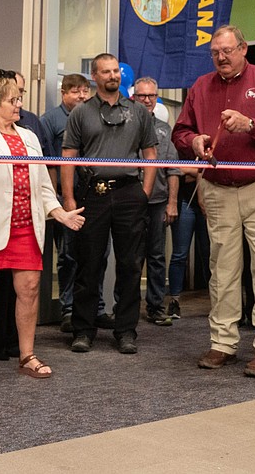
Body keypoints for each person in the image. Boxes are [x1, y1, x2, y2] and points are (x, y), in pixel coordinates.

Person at [173, 25, 255, 377]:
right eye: (215, 53)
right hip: (218, 188)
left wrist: (252, 124)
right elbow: (180, 132)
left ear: (243, 48)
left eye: (227, 51)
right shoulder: (200, 86)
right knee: (222, 269)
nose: (221, 58)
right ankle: (222, 343)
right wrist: (194, 142)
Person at [0, 78, 85, 383]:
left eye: (19, 99)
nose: (18, 105)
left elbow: (42, 184)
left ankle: (27, 355)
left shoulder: (30, 137)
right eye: (13, 100)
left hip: (26, 226)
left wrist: (60, 214)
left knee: (28, 291)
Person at [61, 53, 157, 355]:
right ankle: (83, 330)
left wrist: (145, 191)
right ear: (94, 76)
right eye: (106, 71)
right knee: (89, 264)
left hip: (130, 193)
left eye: (116, 71)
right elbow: (67, 159)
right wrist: (69, 199)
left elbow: (151, 155)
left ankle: (126, 330)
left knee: (130, 264)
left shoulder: (138, 112)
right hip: (93, 193)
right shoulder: (81, 113)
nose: (113, 75)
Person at [39, 73, 90, 332]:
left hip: (91, 193)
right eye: (75, 91)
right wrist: (59, 198)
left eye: (85, 91)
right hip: (63, 196)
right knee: (68, 255)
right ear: (63, 93)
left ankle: (96, 307)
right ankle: (68, 308)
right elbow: (48, 161)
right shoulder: (50, 120)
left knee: (93, 254)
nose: (81, 96)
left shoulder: (92, 115)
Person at [133, 76, 181, 326]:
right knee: (130, 256)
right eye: (142, 96)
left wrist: (172, 203)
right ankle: (127, 306)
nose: (148, 100)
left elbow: (173, 170)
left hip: (158, 201)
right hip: (130, 202)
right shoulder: (126, 125)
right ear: (134, 97)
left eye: (152, 96)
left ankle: (155, 306)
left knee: (157, 256)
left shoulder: (164, 129)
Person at [167, 165, 210, 320]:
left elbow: (208, 170)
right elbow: (176, 169)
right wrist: (198, 171)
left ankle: (217, 302)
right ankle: (174, 301)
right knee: (179, 253)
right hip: (184, 200)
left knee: (209, 255)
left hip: (208, 200)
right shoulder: (180, 142)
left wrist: (191, 171)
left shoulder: (209, 143)